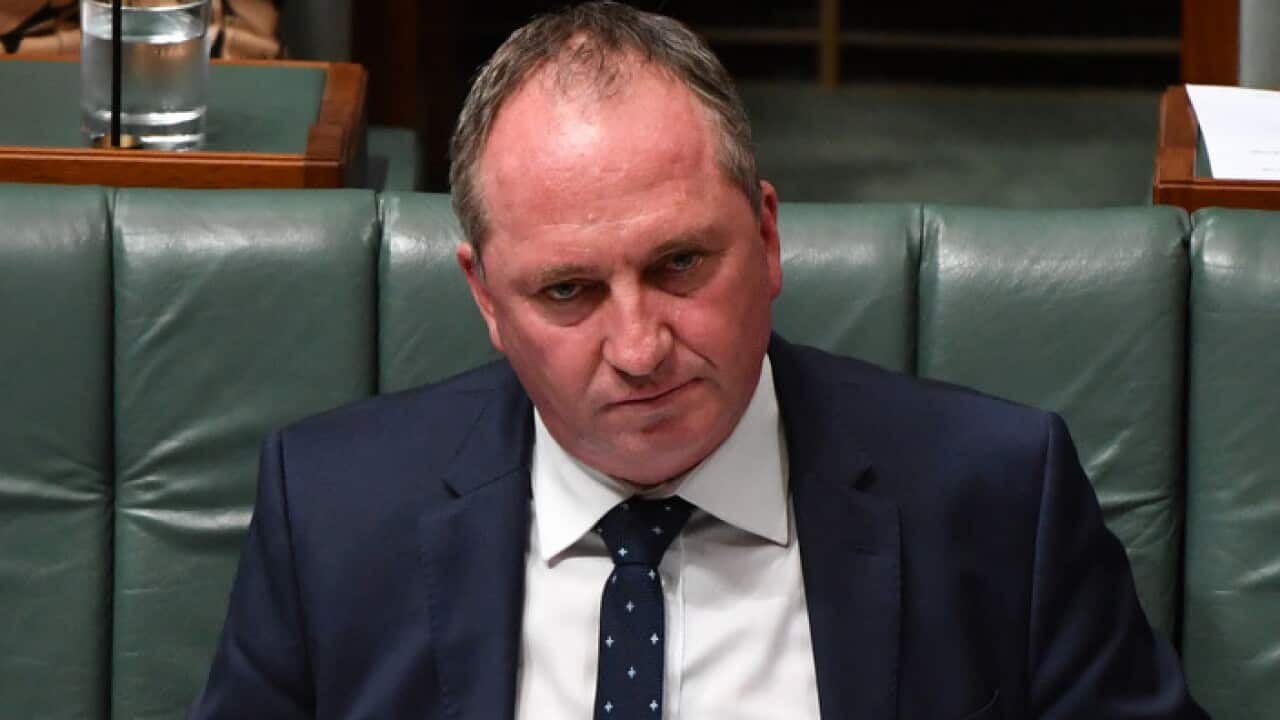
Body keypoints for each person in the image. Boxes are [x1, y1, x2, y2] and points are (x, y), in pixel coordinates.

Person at [191, 3, 1208, 718]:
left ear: (765, 240)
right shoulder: (330, 513)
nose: (638, 348)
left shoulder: (996, 494)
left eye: (679, 264)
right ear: (484, 299)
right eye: (566, 291)